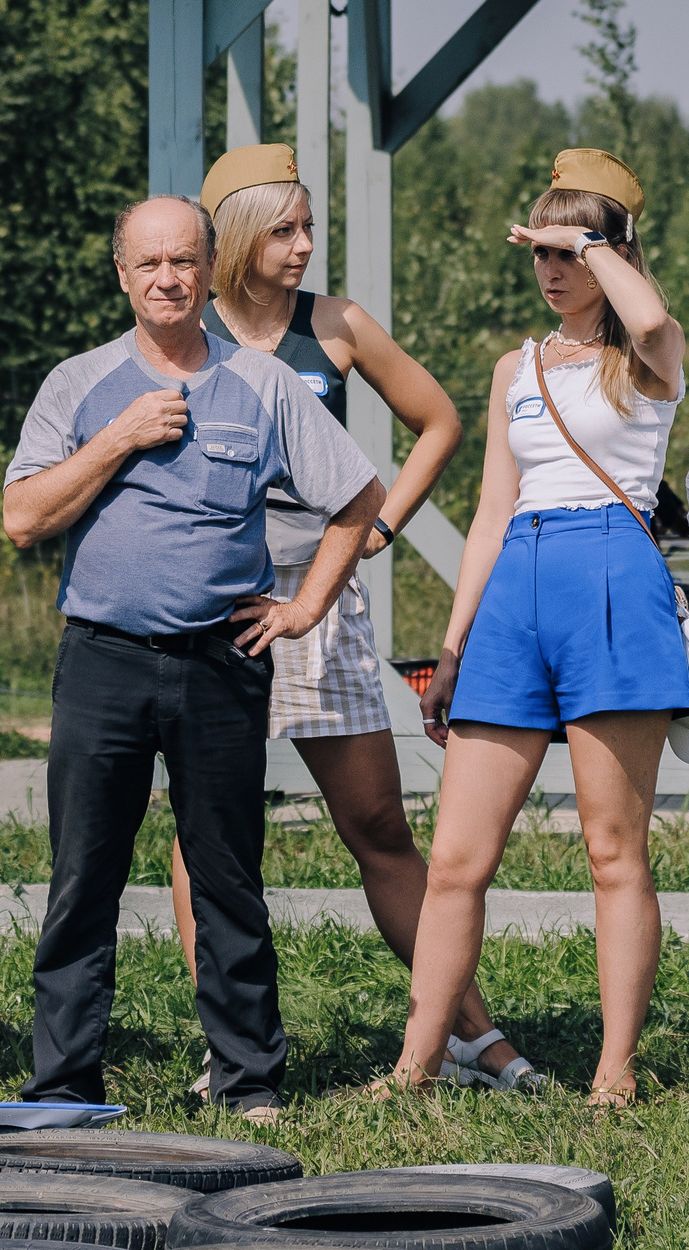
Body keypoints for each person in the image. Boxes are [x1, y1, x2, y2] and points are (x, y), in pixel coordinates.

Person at [162, 143, 538, 1092]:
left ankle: (466, 1033)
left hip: (320, 592)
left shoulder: (334, 325)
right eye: (284, 229)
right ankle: (230, 1045)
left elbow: (441, 420)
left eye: (309, 226)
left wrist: (382, 523)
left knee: (376, 821)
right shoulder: (184, 330)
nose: (303, 245)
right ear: (239, 236)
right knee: (206, 829)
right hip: (213, 601)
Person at [3, 195, 384, 1120]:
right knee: (83, 875)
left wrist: (302, 608)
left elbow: (360, 498)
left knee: (227, 874)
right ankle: (65, 1084)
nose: (169, 279)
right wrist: (119, 437)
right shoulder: (79, 384)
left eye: (185, 262)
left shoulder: (263, 385)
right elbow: (21, 518)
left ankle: (250, 1077)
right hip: (104, 657)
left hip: (222, 658)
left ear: (210, 269)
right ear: (123, 275)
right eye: (149, 265)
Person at [387, 149, 685, 1108]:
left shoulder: (647, 353)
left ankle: (614, 1069)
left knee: (613, 851)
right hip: (517, 584)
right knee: (457, 858)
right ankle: (415, 1066)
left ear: (609, 252)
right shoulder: (514, 366)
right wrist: (456, 639)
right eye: (542, 252)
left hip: (613, 575)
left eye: (570, 252)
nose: (553, 270)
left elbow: (648, 316)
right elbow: (489, 507)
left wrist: (592, 244)